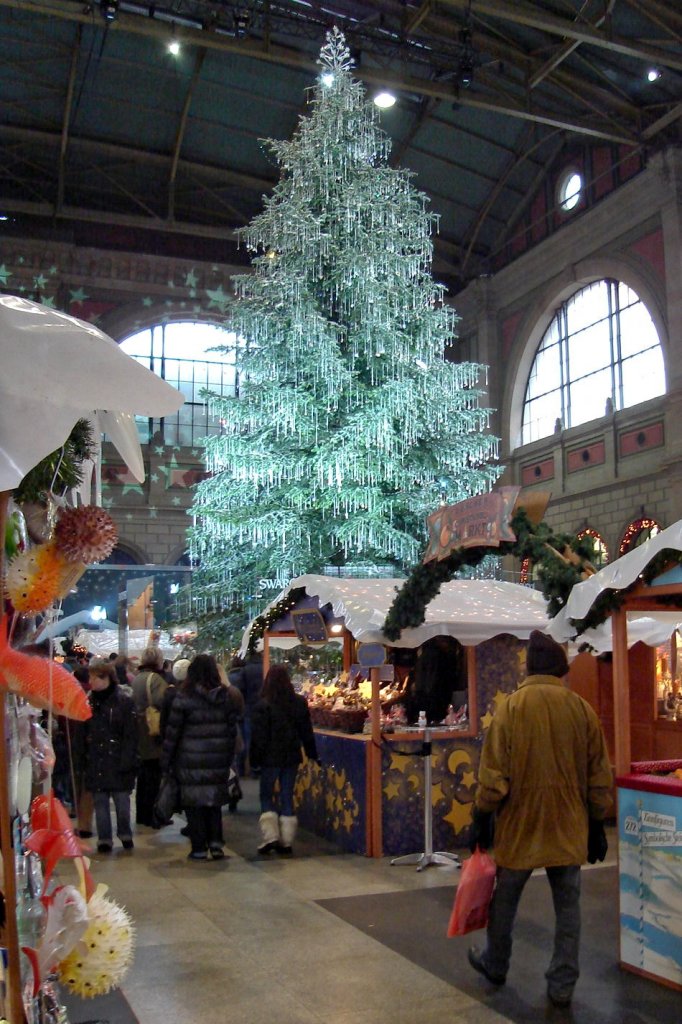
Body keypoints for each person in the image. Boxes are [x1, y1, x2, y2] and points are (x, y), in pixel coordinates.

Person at [467, 629, 613, 1009]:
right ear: (561, 668)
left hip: (520, 825)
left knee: (505, 901)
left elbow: (494, 774)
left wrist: (482, 813)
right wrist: (597, 822)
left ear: (529, 667)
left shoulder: (512, 708)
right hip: (569, 824)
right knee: (568, 907)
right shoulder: (581, 709)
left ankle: (496, 963)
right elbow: (599, 774)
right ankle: (562, 984)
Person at [161, 654, 239, 860]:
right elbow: (232, 730)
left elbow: (173, 732)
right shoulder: (225, 696)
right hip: (217, 758)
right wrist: (229, 755)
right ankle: (215, 843)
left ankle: (198, 847)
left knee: (194, 803)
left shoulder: (183, 697)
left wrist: (167, 760)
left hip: (189, 758)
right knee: (214, 803)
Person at [250, 663, 318, 856]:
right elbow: (306, 731)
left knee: (266, 794)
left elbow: (258, 737)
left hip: (269, 758)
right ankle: (287, 840)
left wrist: (254, 759)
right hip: (291, 756)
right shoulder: (298, 702)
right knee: (287, 795)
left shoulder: (262, 705)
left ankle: (270, 836)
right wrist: (312, 753)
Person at [73, 658, 139, 853]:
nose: (91, 681)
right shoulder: (88, 702)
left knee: (121, 801)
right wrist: (80, 758)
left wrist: (128, 760)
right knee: (100, 802)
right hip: (96, 758)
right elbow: (81, 733)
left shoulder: (124, 702)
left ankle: (125, 833)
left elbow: (130, 735)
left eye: (95, 677)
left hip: (118, 758)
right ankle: (104, 838)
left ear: (106, 678)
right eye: (91, 677)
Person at [131, 645, 168, 827]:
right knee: (153, 776)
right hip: (152, 730)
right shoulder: (156, 680)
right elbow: (163, 702)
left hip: (139, 730)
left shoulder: (137, 679)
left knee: (144, 775)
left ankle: (141, 814)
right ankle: (152, 814)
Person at [235, 650, 263, 776]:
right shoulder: (266, 667)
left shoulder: (245, 670)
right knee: (261, 738)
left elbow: (240, 690)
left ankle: (244, 769)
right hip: (263, 708)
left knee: (247, 739)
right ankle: (258, 768)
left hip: (249, 709)